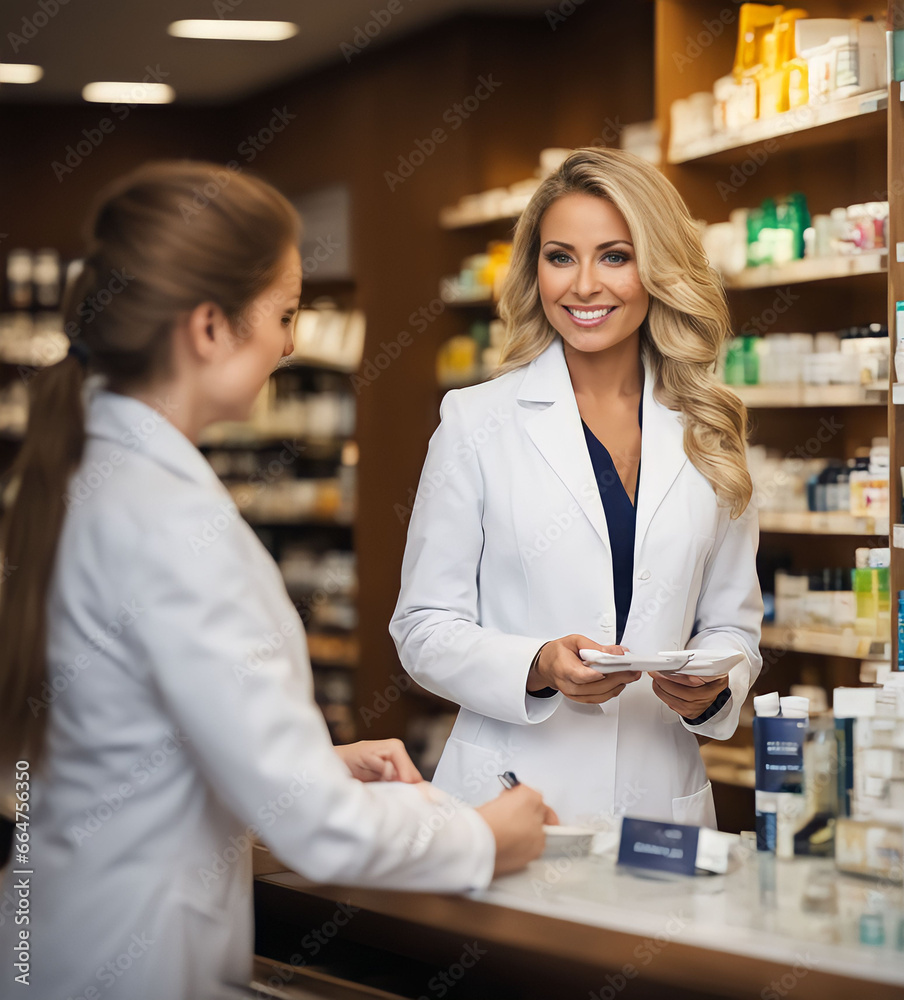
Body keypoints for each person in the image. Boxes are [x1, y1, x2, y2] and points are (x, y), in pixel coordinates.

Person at [0, 162, 553, 1000]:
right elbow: (317, 834)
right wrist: (483, 839)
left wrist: (309, 763)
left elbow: (126, 737)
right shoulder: (171, 522)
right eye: (285, 314)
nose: (292, 344)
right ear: (209, 327)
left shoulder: (91, 472)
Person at [391, 147, 763, 829]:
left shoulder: (712, 428)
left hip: (660, 804)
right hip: (514, 796)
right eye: (561, 256)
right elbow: (421, 629)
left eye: (615, 256)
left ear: (658, 268)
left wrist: (714, 688)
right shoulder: (476, 422)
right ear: (534, 271)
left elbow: (734, 626)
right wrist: (536, 663)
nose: (584, 285)